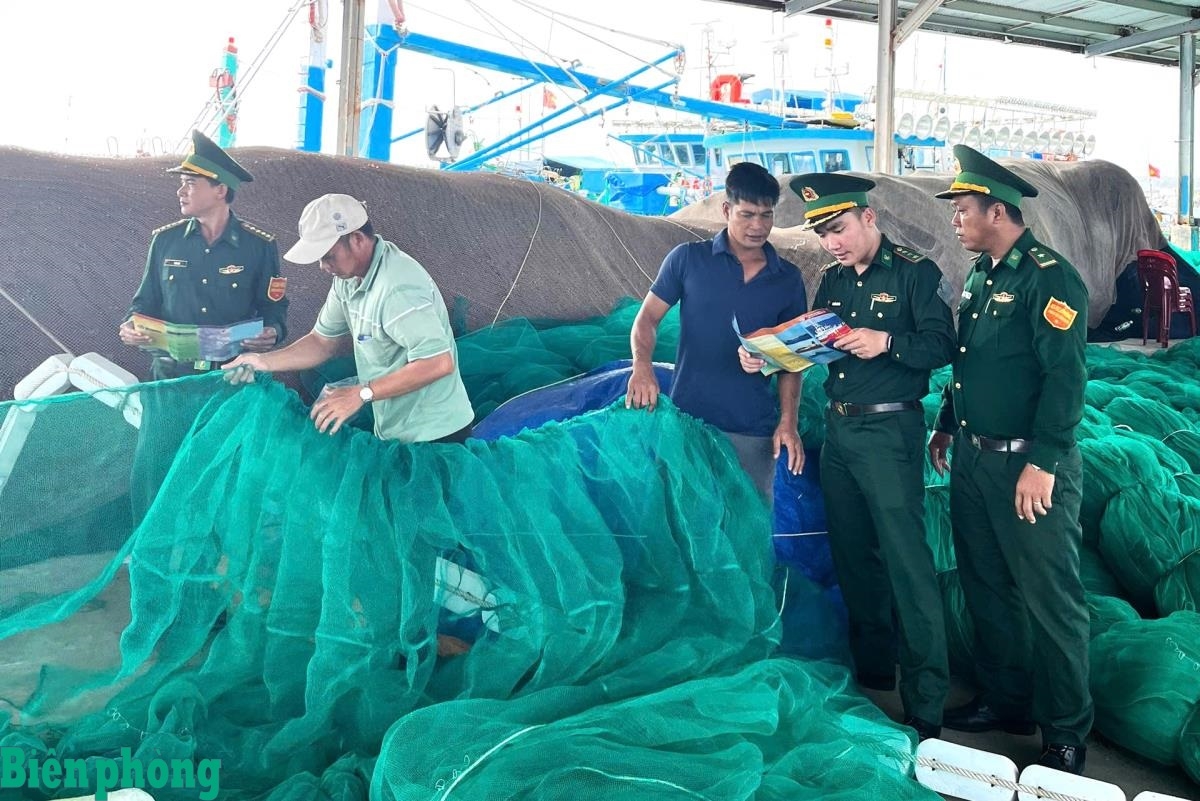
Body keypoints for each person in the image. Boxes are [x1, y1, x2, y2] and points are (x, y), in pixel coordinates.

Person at [740, 173, 955, 741]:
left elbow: (942, 345)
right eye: (823, 235)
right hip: (841, 433)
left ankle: (928, 699)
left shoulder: (913, 273)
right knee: (854, 556)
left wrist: (887, 343)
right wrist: (768, 358)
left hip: (890, 430)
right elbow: (813, 343)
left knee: (906, 562)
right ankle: (875, 672)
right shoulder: (832, 281)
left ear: (869, 219)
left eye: (839, 229)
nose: (833, 243)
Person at [927, 145, 1092, 775]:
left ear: (998, 210)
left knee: (1050, 598)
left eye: (963, 209)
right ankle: (1007, 701)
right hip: (973, 459)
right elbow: (970, 366)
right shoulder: (981, 276)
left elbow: (1066, 377)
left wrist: (1044, 461)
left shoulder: (1048, 277)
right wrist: (947, 425)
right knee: (987, 586)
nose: (956, 220)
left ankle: (1066, 731)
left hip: (1028, 467)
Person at [224, 193, 474, 444]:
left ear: (356, 239)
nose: (322, 265)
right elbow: (321, 342)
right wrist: (262, 361)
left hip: (437, 436)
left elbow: (439, 362)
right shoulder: (349, 280)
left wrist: (362, 393)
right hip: (394, 430)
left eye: (328, 255)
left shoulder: (398, 288)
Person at [625, 161, 807, 501]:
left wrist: (788, 422)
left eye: (766, 215)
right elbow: (646, 319)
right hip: (688, 424)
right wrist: (642, 367)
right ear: (726, 209)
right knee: (686, 525)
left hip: (753, 431)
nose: (757, 226)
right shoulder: (687, 259)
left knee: (747, 530)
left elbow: (791, 361)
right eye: (747, 214)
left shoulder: (788, 279)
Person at [119, 130, 287, 380]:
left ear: (220, 190)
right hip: (170, 377)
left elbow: (274, 307)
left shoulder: (259, 246)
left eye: (190, 183)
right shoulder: (165, 241)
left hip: (233, 376)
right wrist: (131, 325)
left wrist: (273, 331)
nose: (180, 191)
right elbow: (144, 302)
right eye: (182, 183)